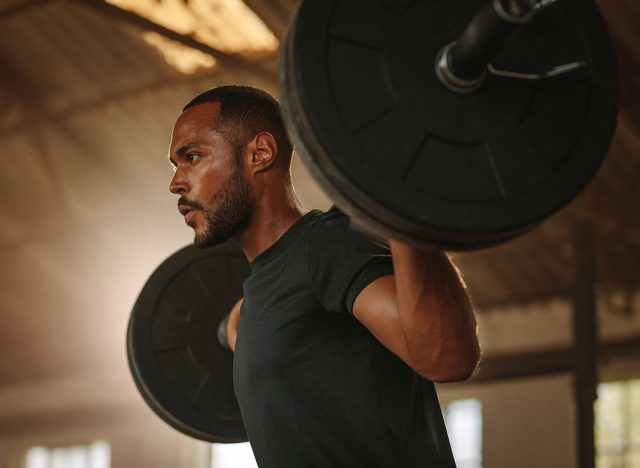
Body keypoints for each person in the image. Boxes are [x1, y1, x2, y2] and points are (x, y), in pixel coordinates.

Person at [168, 85, 480, 467]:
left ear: (260, 153)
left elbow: (447, 357)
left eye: (192, 157)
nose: (176, 183)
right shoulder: (258, 298)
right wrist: (231, 326)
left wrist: (400, 199)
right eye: (175, 166)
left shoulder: (328, 246)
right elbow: (259, 324)